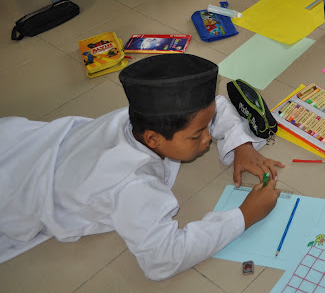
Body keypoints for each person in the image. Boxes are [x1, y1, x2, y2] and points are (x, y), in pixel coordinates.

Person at [0, 54, 284, 281]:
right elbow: (163, 260)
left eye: (206, 129)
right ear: (153, 139)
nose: (208, 139)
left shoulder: (142, 117)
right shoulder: (132, 185)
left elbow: (214, 107)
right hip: (17, 186)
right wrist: (244, 216)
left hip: (29, 144)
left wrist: (240, 146)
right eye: (197, 136)